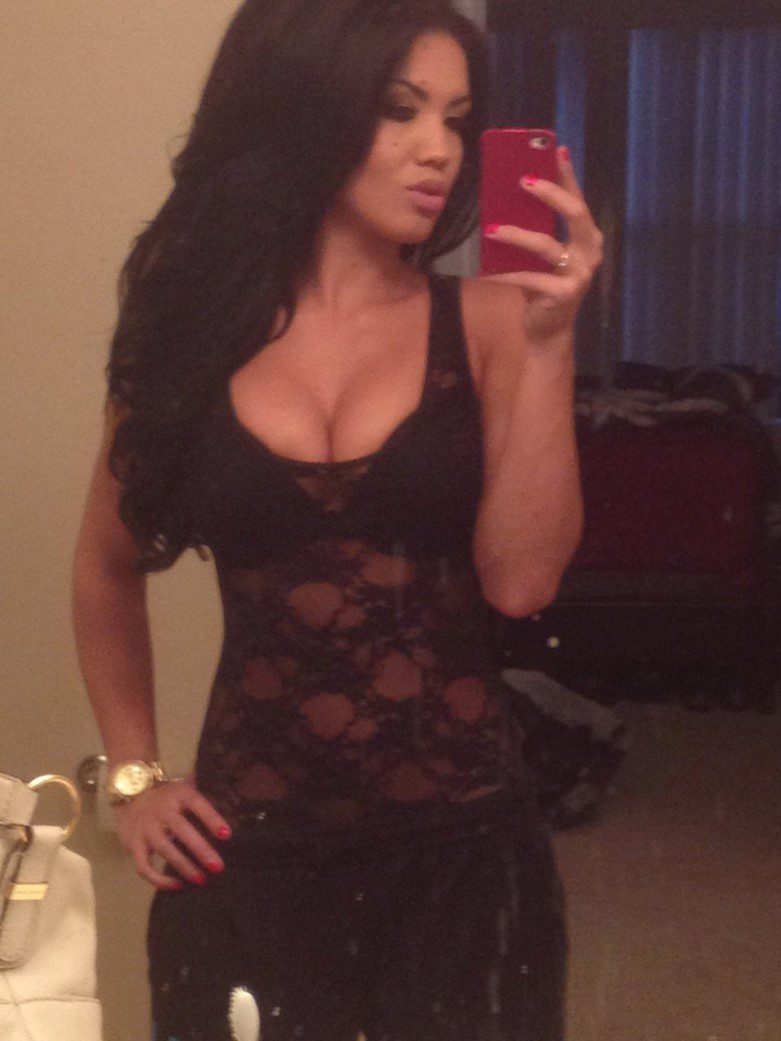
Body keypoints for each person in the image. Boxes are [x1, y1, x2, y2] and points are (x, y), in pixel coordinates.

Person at [71, 1, 602, 1039]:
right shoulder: (185, 338)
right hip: (243, 853)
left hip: (462, 851)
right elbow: (103, 562)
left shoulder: (494, 323)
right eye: (399, 110)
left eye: (455, 118)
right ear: (303, 108)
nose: (437, 149)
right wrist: (134, 778)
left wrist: (549, 346)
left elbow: (521, 583)